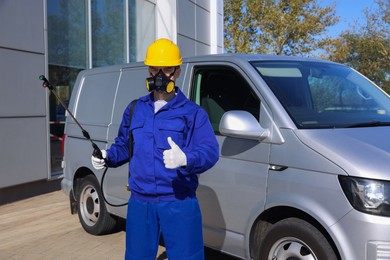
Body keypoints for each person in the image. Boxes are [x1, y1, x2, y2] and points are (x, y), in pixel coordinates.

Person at [91, 38, 219, 260]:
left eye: (167, 68)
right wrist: (108, 156)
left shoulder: (193, 113)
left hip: (179, 201)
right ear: (148, 70)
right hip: (141, 202)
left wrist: (186, 158)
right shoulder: (135, 109)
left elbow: (210, 151)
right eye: (154, 68)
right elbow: (124, 145)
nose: (160, 75)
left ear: (177, 72)